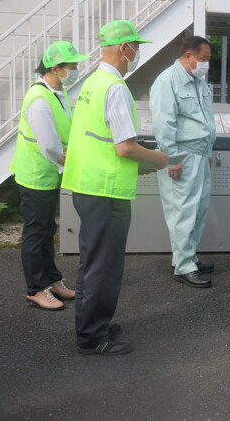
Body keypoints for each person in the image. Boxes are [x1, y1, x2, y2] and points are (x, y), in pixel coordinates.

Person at [61, 20, 170, 356]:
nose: (137, 51)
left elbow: (101, 143)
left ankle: (95, 324)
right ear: (125, 48)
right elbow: (125, 147)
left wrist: (141, 166)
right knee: (103, 265)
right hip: (106, 191)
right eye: (135, 45)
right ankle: (92, 336)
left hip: (88, 185)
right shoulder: (116, 88)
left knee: (95, 261)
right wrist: (159, 158)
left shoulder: (92, 83)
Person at [10, 41, 90, 311]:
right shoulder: (40, 100)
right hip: (36, 176)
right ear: (56, 68)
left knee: (46, 230)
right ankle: (35, 289)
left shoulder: (57, 92)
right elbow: (48, 145)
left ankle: (52, 281)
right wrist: (67, 160)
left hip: (46, 175)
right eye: (72, 66)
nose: (76, 70)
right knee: (36, 233)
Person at [149, 36, 216, 288]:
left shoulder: (198, 82)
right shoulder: (168, 80)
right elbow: (163, 123)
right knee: (182, 211)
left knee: (198, 208)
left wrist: (208, 150)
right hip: (182, 155)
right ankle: (184, 266)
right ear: (188, 56)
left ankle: (188, 257)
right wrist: (172, 159)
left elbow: (206, 118)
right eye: (203, 58)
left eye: (208, 59)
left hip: (200, 153)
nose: (206, 64)